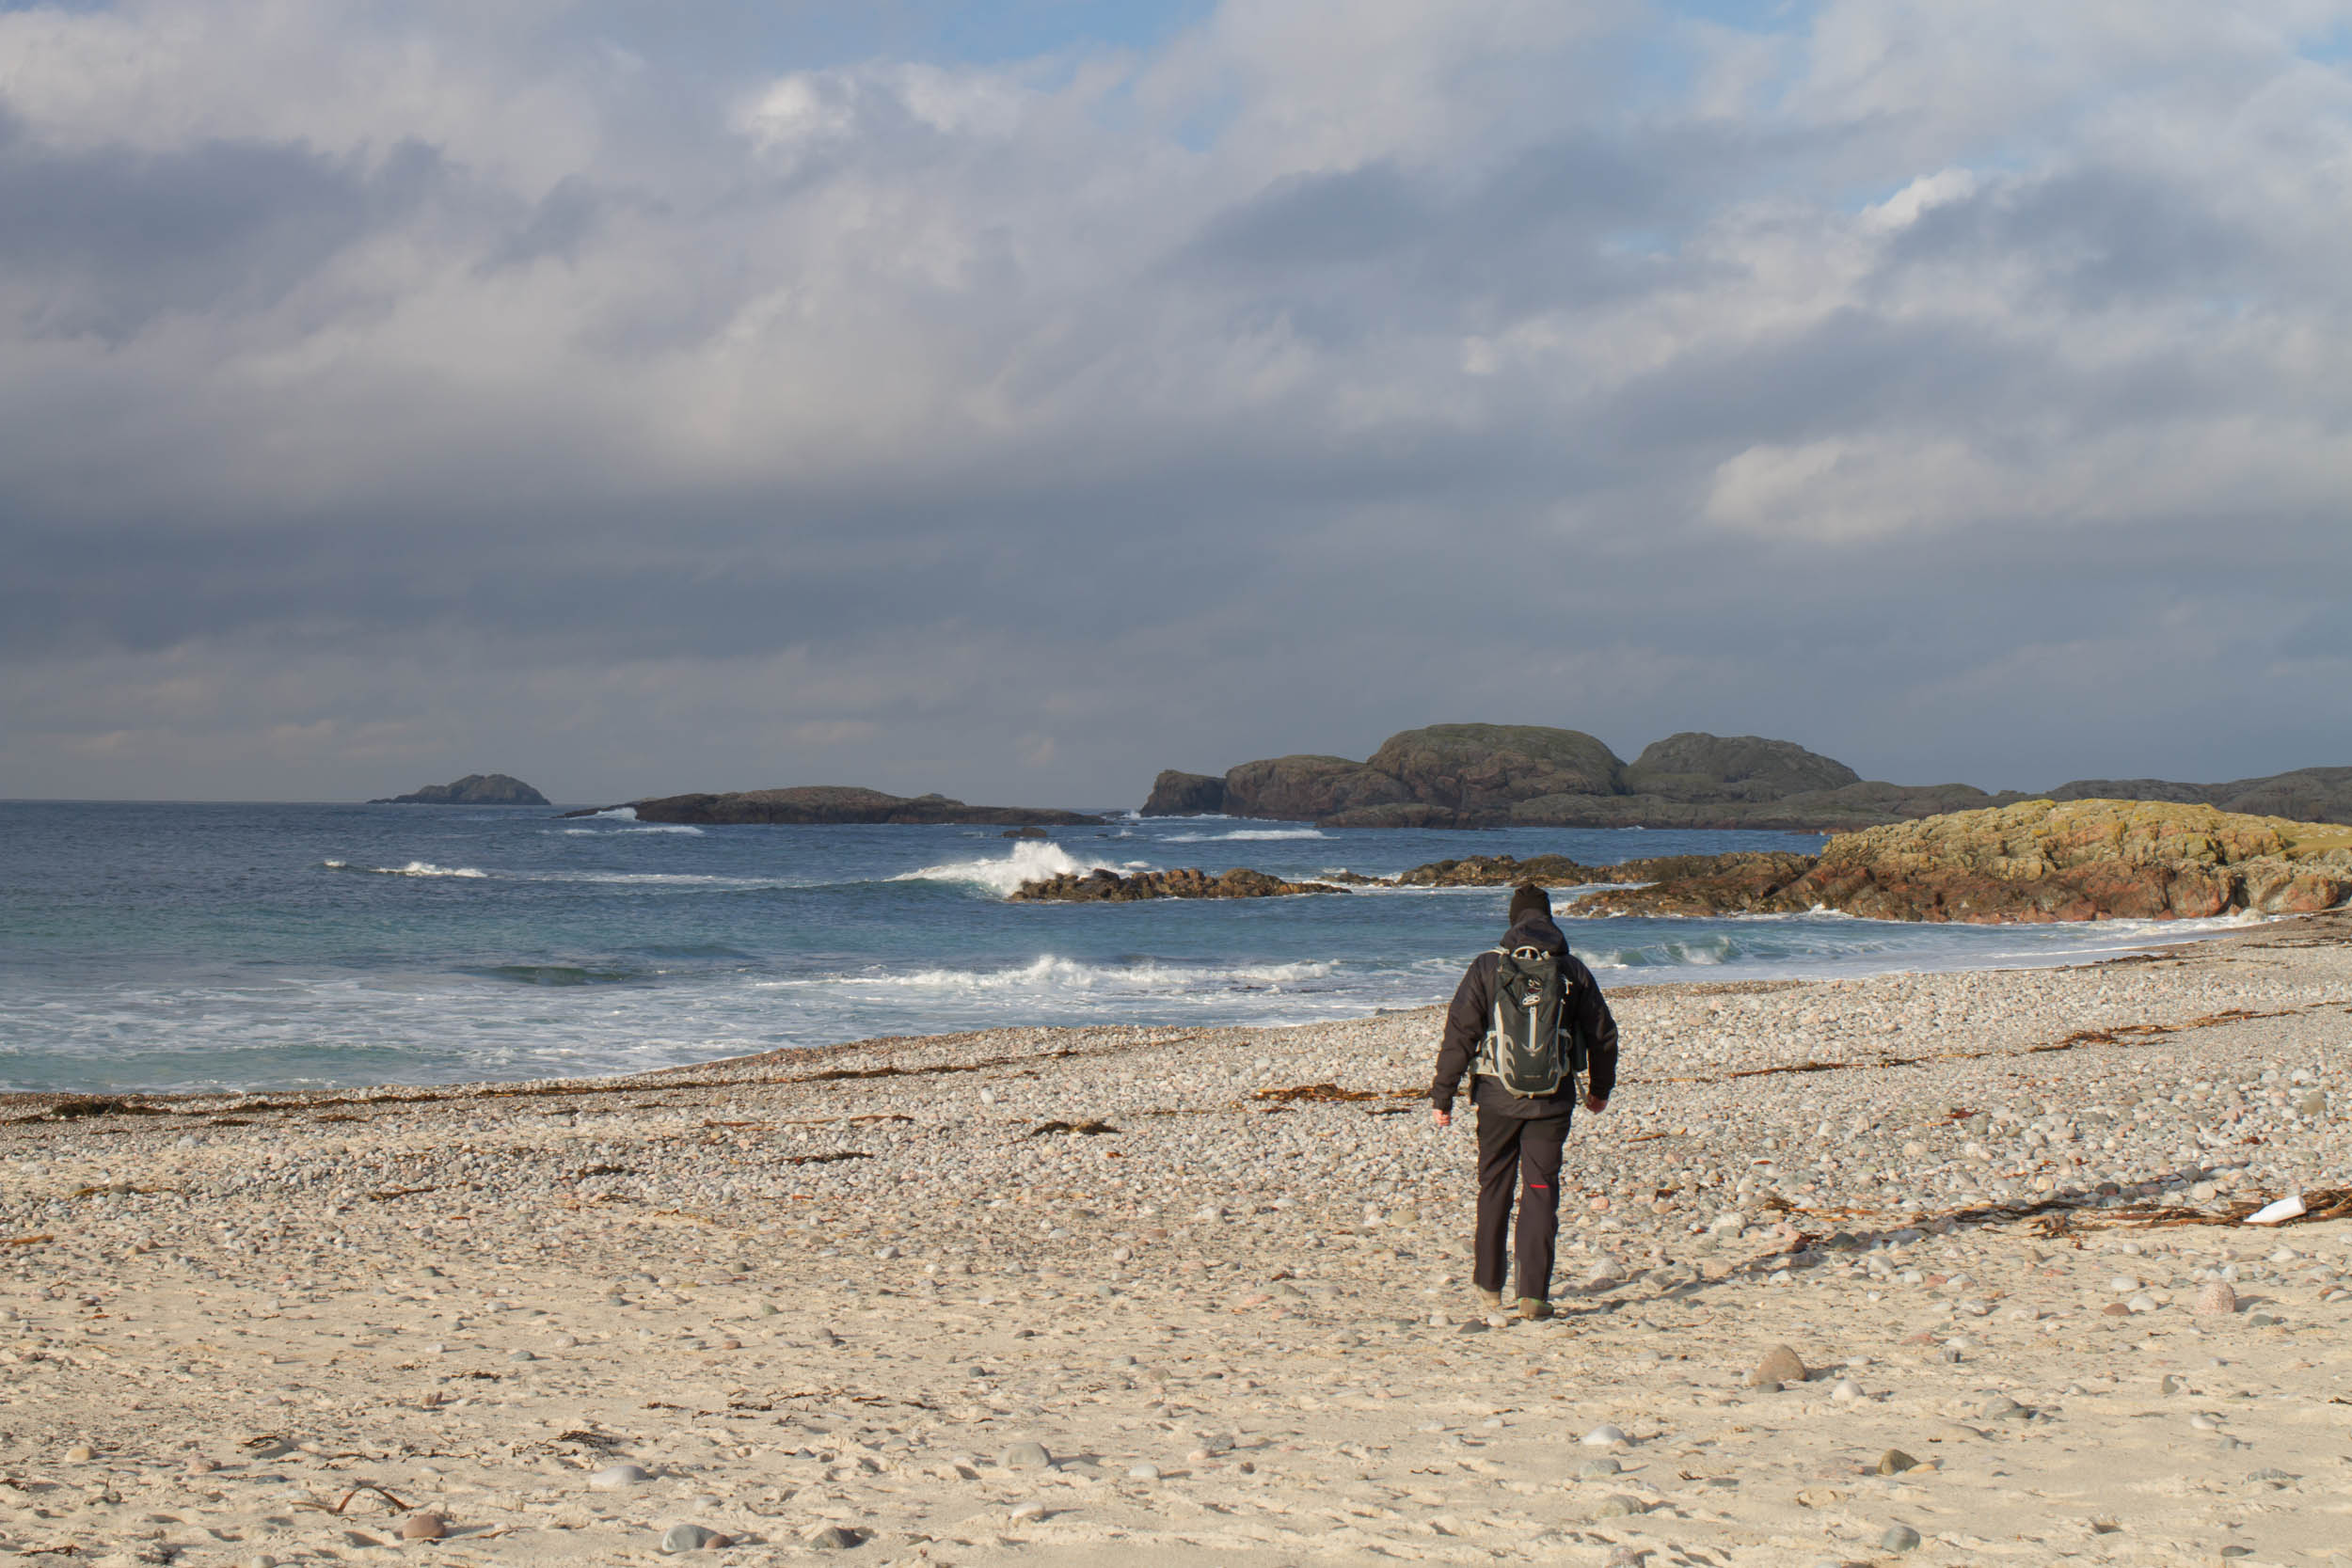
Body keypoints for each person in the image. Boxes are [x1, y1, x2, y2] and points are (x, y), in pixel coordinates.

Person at [1428, 882, 1617, 1321]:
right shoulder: (1572, 970)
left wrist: (1444, 1095)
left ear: (1513, 919)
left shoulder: (1487, 967)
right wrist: (1599, 1089)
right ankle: (1533, 1295)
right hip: (1552, 1102)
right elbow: (1603, 1035)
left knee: (1494, 1186)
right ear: (1550, 919)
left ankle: (1489, 1287)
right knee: (1539, 1190)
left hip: (1495, 1098)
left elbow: (1460, 1034)